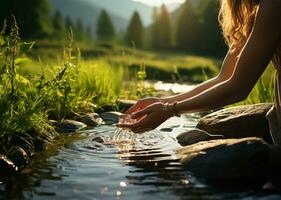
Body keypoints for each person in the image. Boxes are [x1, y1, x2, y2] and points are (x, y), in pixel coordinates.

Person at [117, 0, 281, 145]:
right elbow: (224, 78)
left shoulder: (273, 6)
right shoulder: (255, 11)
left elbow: (238, 88)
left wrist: (170, 110)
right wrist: (164, 102)